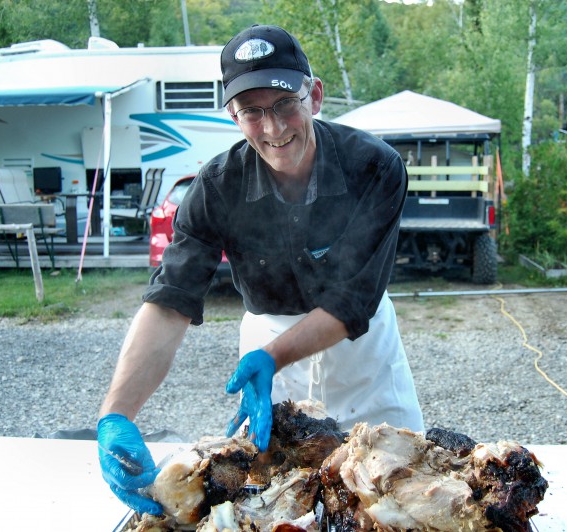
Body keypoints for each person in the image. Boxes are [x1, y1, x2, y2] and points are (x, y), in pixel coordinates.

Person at [96, 24, 424, 516]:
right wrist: (115, 415)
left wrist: (272, 355)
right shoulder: (215, 187)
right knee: (275, 503)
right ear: (233, 114)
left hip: (362, 350)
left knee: (393, 497)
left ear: (313, 96)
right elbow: (170, 301)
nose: (272, 129)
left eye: (284, 104)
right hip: (268, 360)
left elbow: (352, 301)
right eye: (251, 110)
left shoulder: (373, 166)